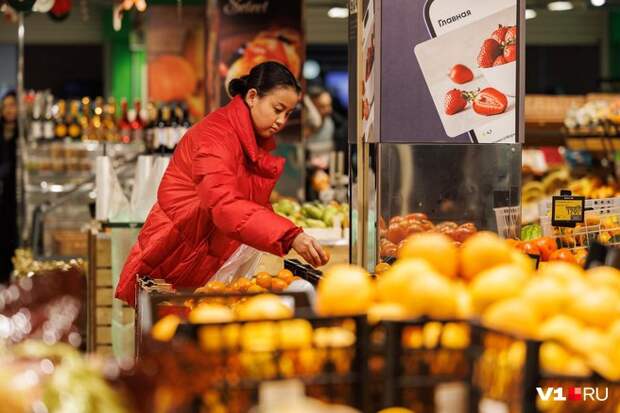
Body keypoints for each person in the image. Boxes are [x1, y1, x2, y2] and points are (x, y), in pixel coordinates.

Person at [115, 61, 329, 306]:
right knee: (173, 326)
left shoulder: (246, 140)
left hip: (199, 260)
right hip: (176, 259)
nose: (281, 120)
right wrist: (289, 236)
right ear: (252, 97)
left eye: (288, 114)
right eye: (277, 109)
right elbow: (225, 205)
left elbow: (248, 206)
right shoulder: (215, 138)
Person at [0, 91, 18, 284]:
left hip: (15, 192)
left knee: (12, 232)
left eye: (12, 105)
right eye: (5, 106)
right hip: (2, 191)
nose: (9, 110)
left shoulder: (23, 132)